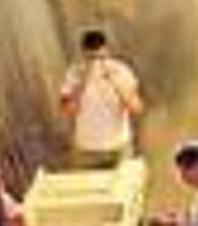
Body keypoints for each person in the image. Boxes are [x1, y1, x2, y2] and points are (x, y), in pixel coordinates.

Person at [59, 28, 143, 166]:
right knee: (88, 187)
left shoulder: (121, 70)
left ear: (107, 51)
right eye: (91, 58)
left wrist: (115, 82)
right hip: (87, 150)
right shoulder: (74, 74)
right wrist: (82, 82)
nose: (96, 63)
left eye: (101, 58)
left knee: (123, 187)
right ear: (83, 54)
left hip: (119, 148)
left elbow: (136, 108)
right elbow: (69, 111)